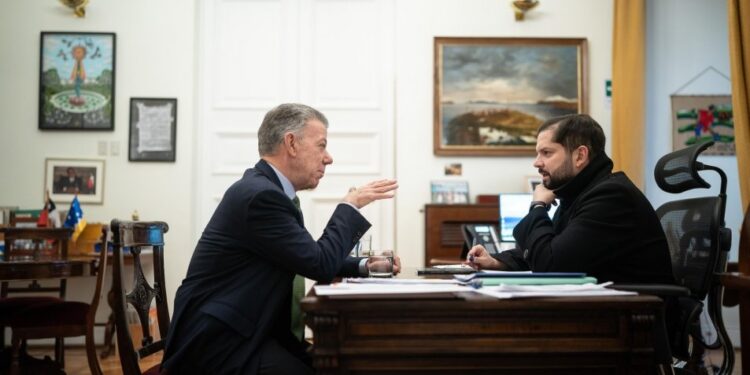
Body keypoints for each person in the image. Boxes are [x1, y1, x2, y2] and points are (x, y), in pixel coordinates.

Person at [161, 103, 400, 375]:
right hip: (218, 345)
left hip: (248, 333)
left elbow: (307, 256)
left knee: (340, 364)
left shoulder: (270, 191)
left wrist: (364, 266)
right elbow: (318, 263)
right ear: (291, 143)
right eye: (321, 145)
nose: (328, 158)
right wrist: (350, 206)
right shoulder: (261, 197)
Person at [466, 114, 674, 285]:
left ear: (580, 156)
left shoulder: (611, 197)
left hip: (631, 320)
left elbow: (551, 266)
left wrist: (538, 206)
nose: (536, 163)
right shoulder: (580, 192)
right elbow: (549, 248)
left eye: (546, 153)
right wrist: (495, 262)